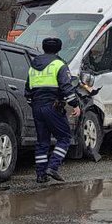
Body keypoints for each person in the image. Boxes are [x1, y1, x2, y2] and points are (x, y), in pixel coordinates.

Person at [26, 37, 81, 183]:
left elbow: (28, 90)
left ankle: (41, 175)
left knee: (42, 142)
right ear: (59, 49)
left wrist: (35, 105)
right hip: (53, 106)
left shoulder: (33, 65)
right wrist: (75, 104)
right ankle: (53, 166)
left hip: (37, 106)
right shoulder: (59, 64)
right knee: (65, 137)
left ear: (43, 48)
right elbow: (66, 86)